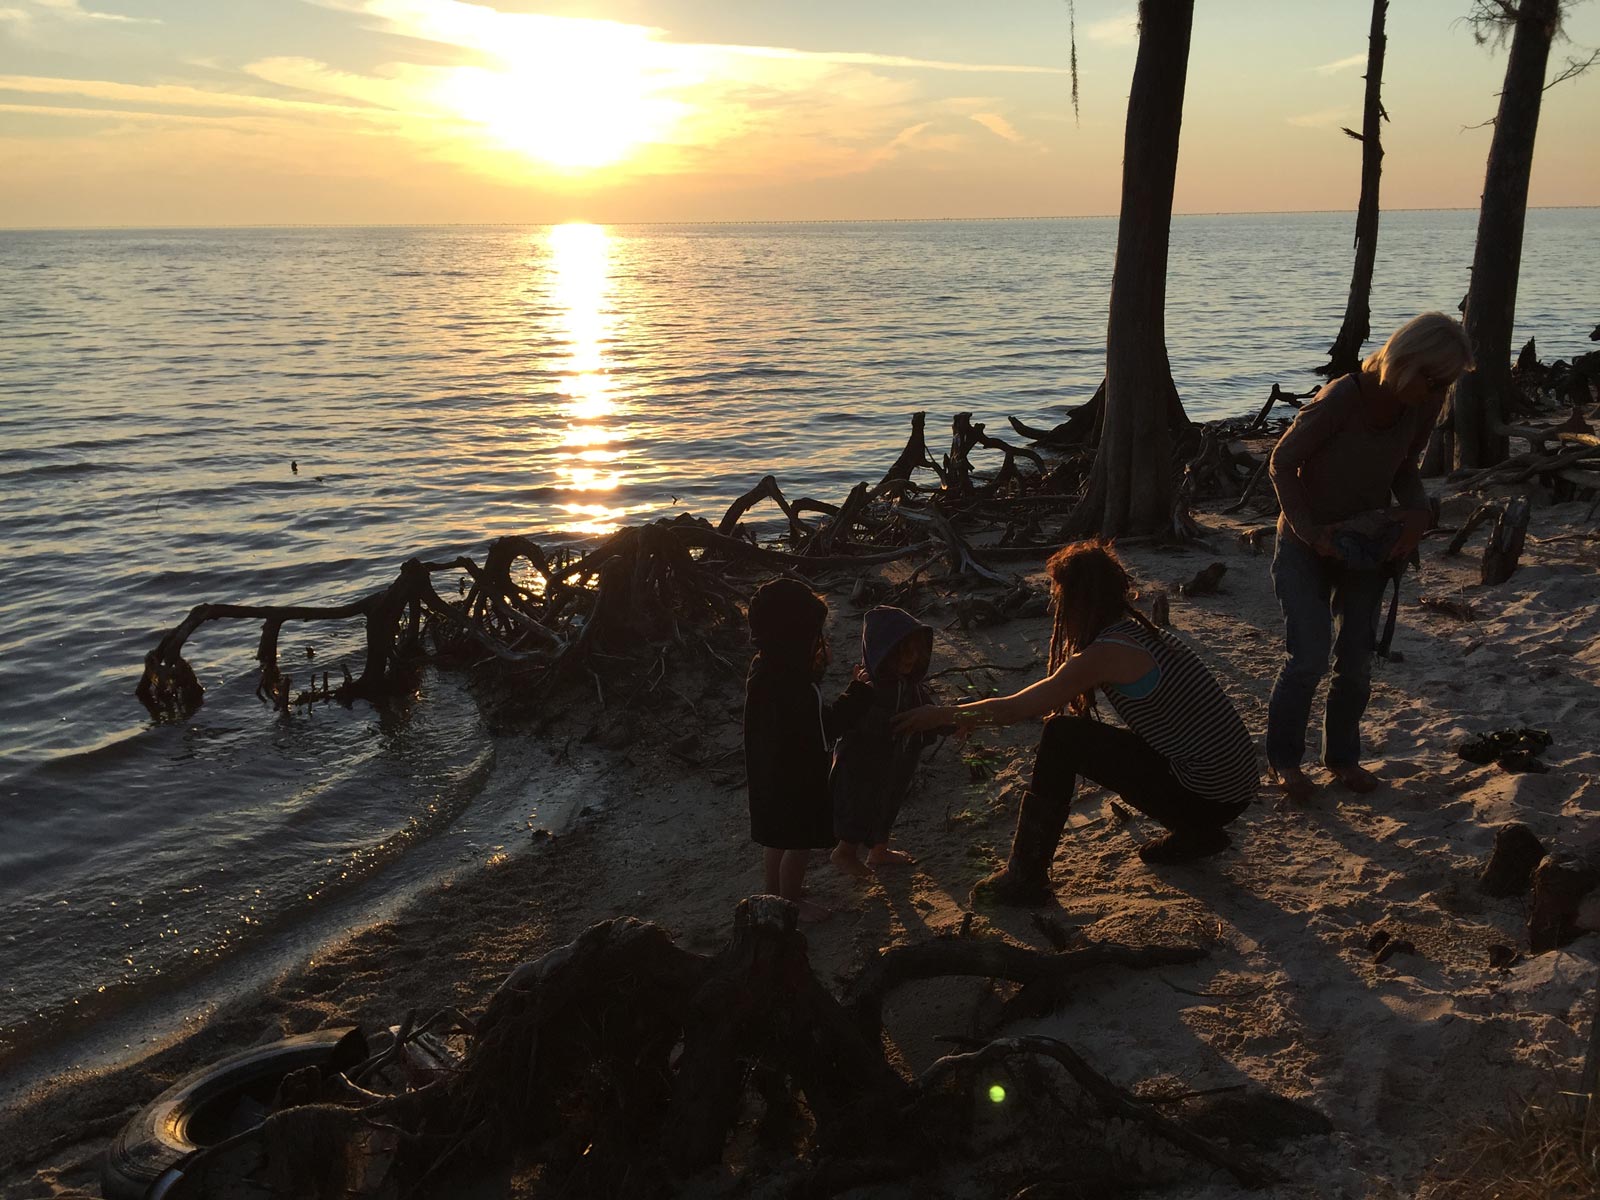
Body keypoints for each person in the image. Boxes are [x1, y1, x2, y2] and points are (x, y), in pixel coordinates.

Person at [895, 541, 1256, 906]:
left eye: (1058, 598)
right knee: (1094, 739)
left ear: (1079, 602)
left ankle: (1026, 876)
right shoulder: (1138, 632)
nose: (1053, 608)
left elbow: (1015, 709)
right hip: (1232, 789)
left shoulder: (1107, 653)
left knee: (1062, 737)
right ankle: (1196, 834)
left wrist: (941, 715)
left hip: (1208, 795)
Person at [1266, 311, 1472, 802]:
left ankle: (1341, 758)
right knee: (1308, 658)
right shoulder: (1343, 397)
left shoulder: (1424, 404)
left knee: (1356, 661)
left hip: (1365, 549)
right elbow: (1281, 462)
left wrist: (1418, 512)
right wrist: (1311, 533)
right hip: (1303, 544)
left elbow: (1404, 467)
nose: (1439, 392)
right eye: (1434, 380)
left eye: (1445, 384)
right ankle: (1285, 762)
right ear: (1408, 361)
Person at [743, 578, 871, 922]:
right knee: (798, 844)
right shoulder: (798, 687)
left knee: (776, 839)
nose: (819, 640)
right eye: (814, 633)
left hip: (767, 774)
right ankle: (791, 902)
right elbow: (826, 727)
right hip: (796, 780)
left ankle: (773, 892)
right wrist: (857, 693)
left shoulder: (763, 669)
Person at [829, 606, 938, 878]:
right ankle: (845, 852)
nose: (911, 658)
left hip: (897, 761)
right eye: (902, 652)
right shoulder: (869, 687)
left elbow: (930, 711)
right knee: (860, 809)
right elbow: (850, 720)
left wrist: (953, 724)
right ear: (883, 652)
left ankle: (879, 850)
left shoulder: (909, 686)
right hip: (862, 765)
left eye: (915, 651)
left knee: (888, 805)